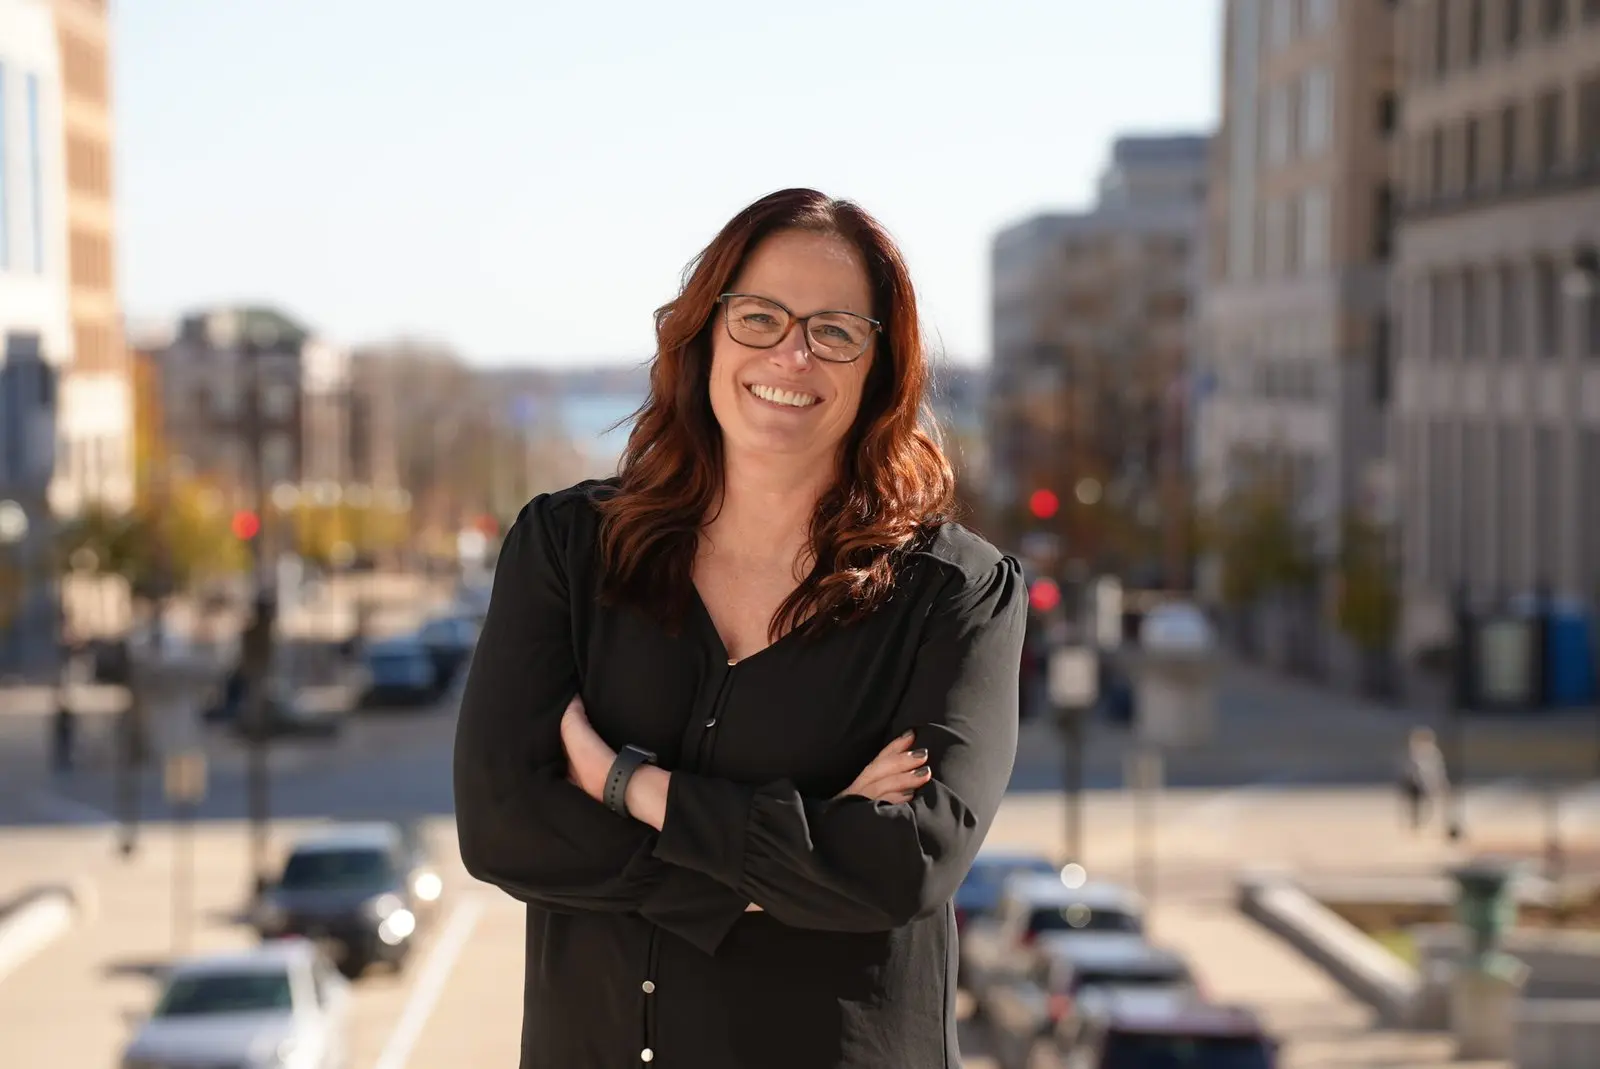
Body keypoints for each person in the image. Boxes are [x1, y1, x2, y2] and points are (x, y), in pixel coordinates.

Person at [453, 188, 1026, 1068]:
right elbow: (502, 825)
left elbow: (904, 866)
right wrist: (802, 851)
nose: (792, 354)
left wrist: (626, 786)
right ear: (706, 332)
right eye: (760, 317)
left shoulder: (956, 593)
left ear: (880, 366)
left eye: (835, 330)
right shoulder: (566, 551)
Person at [1399, 725, 1449, 833]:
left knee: (1428, 805)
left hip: (1426, 784)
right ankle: (1416, 823)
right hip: (1414, 784)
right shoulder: (1413, 754)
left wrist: (1440, 783)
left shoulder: (1433, 754)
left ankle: (1424, 823)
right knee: (1415, 806)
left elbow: (1437, 770)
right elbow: (1407, 770)